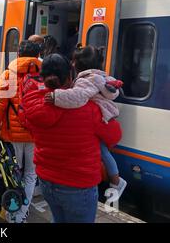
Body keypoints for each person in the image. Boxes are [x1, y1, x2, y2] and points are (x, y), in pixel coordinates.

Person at [21, 53, 122, 223]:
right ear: (70, 77)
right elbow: (115, 136)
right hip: (78, 186)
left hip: (46, 181)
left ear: (42, 78)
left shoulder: (32, 103)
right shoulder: (90, 109)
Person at [44, 45, 127, 200]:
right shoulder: (102, 77)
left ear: (77, 64)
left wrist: (56, 97)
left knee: (102, 151)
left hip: (101, 119)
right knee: (101, 151)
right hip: (106, 118)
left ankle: (116, 181)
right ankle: (114, 179)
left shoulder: (87, 80)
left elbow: (77, 97)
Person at [0, 40, 41, 223]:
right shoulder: (44, 75)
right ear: (38, 55)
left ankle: (12, 211)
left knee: (13, 174)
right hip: (35, 135)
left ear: (18, 54)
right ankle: (22, 213)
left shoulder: (9, 75)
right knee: (31, 175)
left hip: (12, 135)